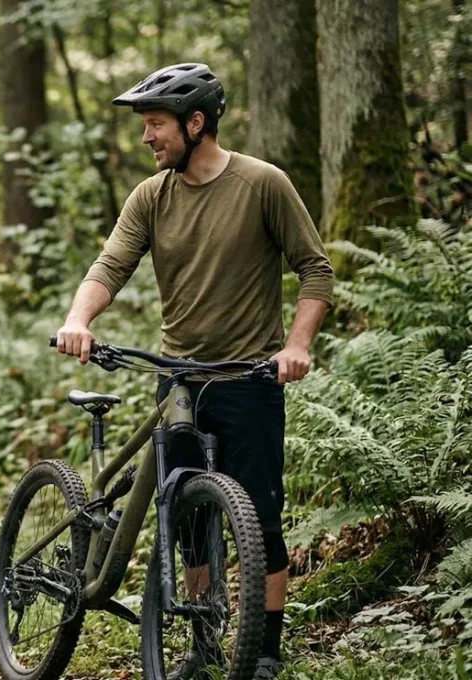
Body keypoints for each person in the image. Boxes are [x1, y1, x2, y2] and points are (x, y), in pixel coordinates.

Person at [53, 63, 334, 680]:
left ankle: (263, 651)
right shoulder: (151, 196)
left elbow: (315, 269)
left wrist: (298, 345)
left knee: (258, 517)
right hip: (177, 380)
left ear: (196, 122)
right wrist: (79, 317)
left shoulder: (263, 184)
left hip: (250, 380)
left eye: (155, 124)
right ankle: (203, 645)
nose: (147, 138)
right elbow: (110, 266)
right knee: (186, 516)